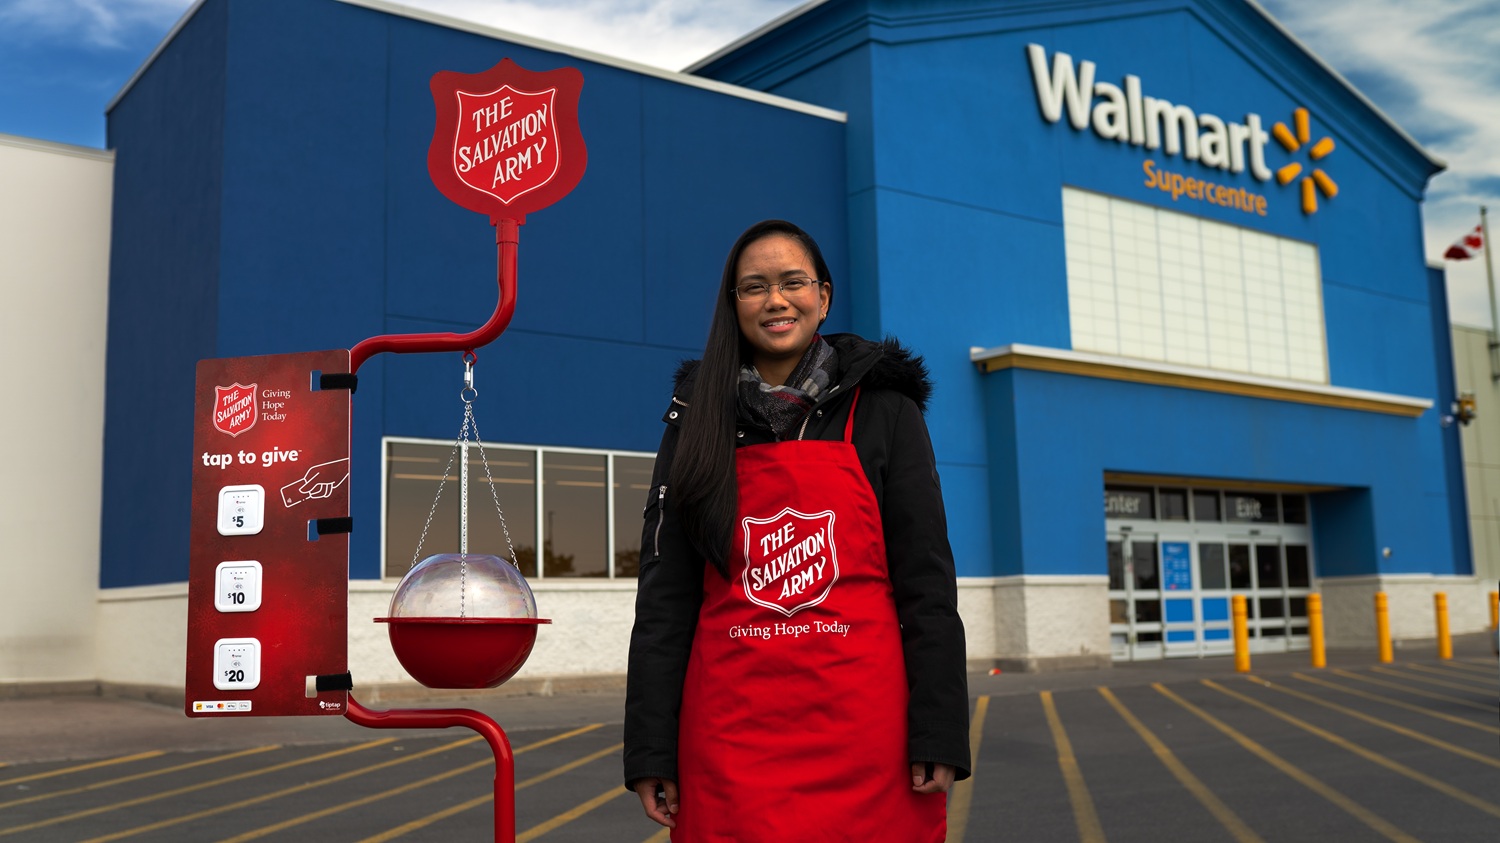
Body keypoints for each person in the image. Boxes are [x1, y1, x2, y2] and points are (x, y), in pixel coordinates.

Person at [624, 219, 970, 841]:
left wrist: (939, 729)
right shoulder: (695, 418)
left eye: (792, 282)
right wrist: (650, 747)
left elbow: (927, 582)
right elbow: (665, 593)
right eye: (754, 287)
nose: (775, 300)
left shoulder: (885, 409)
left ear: (824, 296)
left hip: (867, 734)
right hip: (730, 736)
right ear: (733, 306)